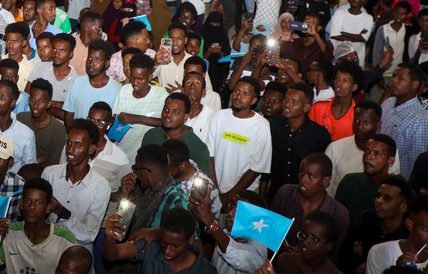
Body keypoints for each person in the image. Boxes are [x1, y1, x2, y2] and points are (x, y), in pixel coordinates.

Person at [0, 178, 77, 274]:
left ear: (48, 207)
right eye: (28, 201)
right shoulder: (9, 232)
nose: (32, 207)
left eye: (39, 202)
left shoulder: (64, 238)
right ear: (21, 204)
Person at [41, 119, 111, 248]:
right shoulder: (49, 174)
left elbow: (89, 235)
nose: (70, 150)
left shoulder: (101, 187)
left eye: (78, 145)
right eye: (69, 143)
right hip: (45, 248)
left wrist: (60, 211)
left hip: (76, 253)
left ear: (91, 149)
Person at [206, 77, 272, 207]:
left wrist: (229, 196)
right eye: (236, 91)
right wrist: (215, 189)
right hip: (215, 190)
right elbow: (210, 155)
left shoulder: (261, 126)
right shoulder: (218, 116)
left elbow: (256, 168)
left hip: (244, 196)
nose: (238, 96)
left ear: (253, 100)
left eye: (245, 94)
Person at [265, 82, 332, 201]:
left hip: (304, 197)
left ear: (306, 107)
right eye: (286, 100)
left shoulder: (319, 135)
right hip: (276, 193)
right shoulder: (275, 124)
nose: (287, 104)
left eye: (294, 102)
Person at [271, 153, 349, 249]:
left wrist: (304, 254)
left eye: (311, 177)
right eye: (301, 173)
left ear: (326, 180)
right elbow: (270, 231)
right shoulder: (285, 194)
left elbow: (335, 253)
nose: (303, 180)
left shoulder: (338, 213)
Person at [380, 63, 428, 178]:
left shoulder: (421, 120)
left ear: (414, 85)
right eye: (394, 76)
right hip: (378, 175)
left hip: (398, 182)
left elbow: (416, 163)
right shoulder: (388, 103)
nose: (394, 81)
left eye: (400, 78)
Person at [141, 92, 211, 175]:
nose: (168, 115)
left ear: (185, 117)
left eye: (176, 112)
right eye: (166, 109)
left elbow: (203, 184)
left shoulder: (198, 148)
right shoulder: (151, 135)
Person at [113, 54, 168, 153]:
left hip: (147, 156)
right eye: (133, 78)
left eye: (140, 79)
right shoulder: (124, 90)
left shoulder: (161, 95)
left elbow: (166, 123)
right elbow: (115, 117)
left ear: (150, 76)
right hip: (121, 152)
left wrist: (136, 118)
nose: (135, 83)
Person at [310, 61, 363, 142]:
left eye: (345, 81)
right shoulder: (318, 107)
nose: (338, 83)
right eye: (337, 79)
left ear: (354, 87)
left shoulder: (357, 115)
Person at [18, 79, 67, 166]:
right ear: (28, 100)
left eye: (41, 102)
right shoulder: (21, 119)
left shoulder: (58, 129)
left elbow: (54, 162)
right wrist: (40, 159)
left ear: (48, 104)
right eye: (33, 100)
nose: (36, 105)